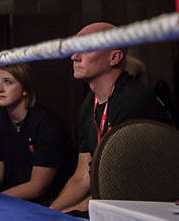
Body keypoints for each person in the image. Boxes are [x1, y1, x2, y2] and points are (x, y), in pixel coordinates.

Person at [49, 22, 174, 214]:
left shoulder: (134, 101)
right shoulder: (89, 103)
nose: (74, 56)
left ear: (114, 57)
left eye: (85, 48)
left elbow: (124, 185)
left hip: (151, 205)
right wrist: (49, 212)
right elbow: (83, 175)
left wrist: (74, 210)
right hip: (113, 201)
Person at [0, 64, 75, 206]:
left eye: (7, 82)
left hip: (50, 203)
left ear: (25, 89)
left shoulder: (47, 123)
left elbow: (38, 186)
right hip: (13, 199)